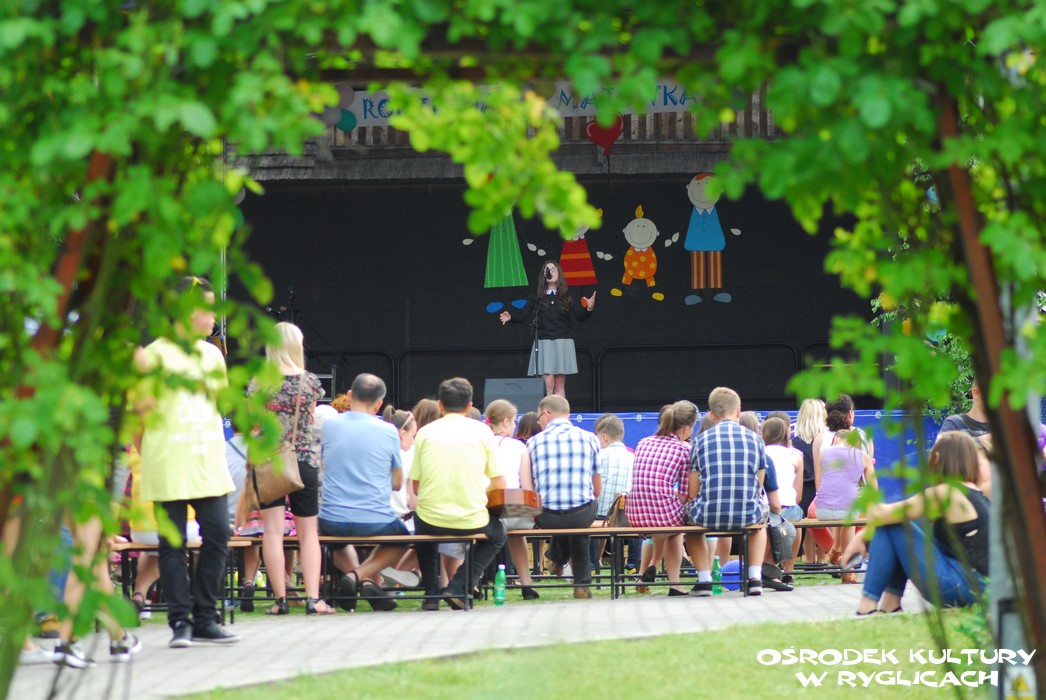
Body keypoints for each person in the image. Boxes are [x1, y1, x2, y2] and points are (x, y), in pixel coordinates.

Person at [134, 276, 238, 647]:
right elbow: (140, 414)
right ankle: (181, 622)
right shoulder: (153, 355)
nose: (214, 317)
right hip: (168, 460)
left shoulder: (213, 355)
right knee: (172, 544)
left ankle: (205, 618)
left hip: (207, 461)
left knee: (218, 535)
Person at [842, 431, 988, 615]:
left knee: (894, 523)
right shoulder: (976, 494)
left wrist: (861, 531)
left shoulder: (946, 493)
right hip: (978, 588)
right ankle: (890, 604)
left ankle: (867, 604)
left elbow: (881, 514)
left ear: (937, 459)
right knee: (900, 523)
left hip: (959, 587)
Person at [247, 322, 335, 616]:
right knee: (308, 534)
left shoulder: (259, 382)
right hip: (303, 460)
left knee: (272, 533)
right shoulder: (309, 382)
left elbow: (254, 423)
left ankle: (280, 601)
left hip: (271, 461)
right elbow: (309, 419)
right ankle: (313, 599)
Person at [411, 377, 507, 610]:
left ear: (440, 406)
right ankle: (459, 586)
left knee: (422, 526)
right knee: (498, 534)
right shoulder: (483, 432)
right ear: (469, 406)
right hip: (472, 518)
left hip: (431, 519)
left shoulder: (425, 432)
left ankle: (431, 595)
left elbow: (416, 487)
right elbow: (499, 482)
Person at [319, 373, 406, 612]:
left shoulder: (329, 426)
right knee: (401, 539)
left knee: (335, 540)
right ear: (379, 404)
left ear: (349, 395)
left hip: (332, 518)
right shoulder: (389, 430)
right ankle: (361, 578)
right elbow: (397, 483)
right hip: (376, 519)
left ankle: (356, 577)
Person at [684, 387, 769, 596]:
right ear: (739, 411)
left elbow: (693, 492)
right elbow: (759, 486)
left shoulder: (699, 441)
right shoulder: (756, 440)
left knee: (689, 524)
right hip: (747, 513)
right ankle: (755, 578)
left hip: (707, 515)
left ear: (711, 416)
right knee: (760, 525)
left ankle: (704, 579)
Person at [528, 395, 602, 598]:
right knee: (578, 520)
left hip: (545, 516)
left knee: (566, 517)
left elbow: (531, 487)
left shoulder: (533, 442)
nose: (539, 423)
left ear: (546, 414)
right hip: (580, 514)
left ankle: (557, 558)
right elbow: (597, 489)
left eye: (538, 419)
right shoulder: (590, 438)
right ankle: (581, 584)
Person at [627, 401, 698, 596]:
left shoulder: (643, 442)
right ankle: (674, 584)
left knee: (663, 518)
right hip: (661, 514)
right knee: (675, 529)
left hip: (635, 513)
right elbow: (685, 495)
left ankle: (649, 568)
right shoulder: (684, 449)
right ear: (686, 429)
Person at [499, 260, 596, 398]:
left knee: (559, 385)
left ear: (559, 273)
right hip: (544, 341)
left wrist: (589, 308)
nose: (550, 272)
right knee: (548, 383)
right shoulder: (537, 296)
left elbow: (580, 316)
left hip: (562, 341)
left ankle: (560, 411)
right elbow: (523, 315)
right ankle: (546, 411)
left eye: (554, 269)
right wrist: (511, 317)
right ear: (543, 275)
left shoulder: (567, 294)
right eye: (547, 269)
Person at [485, 399, 539, 599]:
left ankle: (475, 582)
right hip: (512, 509)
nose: (515, 425)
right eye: (514, 420)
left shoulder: (480, 444)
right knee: (518, 536)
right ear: (506, 421)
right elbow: (527, 487)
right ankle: (526, 584)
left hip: (484, 508)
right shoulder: (519, 447)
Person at [816, 428, 878, 583]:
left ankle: (836, 553)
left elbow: (819, 483)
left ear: (837, 439)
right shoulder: (863, 457)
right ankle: (848, 570)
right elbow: (874, 490)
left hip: (822, 509)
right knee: (849, 517)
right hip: (847, 510)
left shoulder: (823, 454)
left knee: (845, 511)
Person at [591, 414, 638, 574]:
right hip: (626, 517)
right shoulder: (633, 457)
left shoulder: (599, 456)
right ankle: (633, 564)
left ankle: (592, 565)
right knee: (635, 523)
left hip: (600, 516)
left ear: (604, 437)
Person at [762, 417, 804, 577]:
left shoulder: (759, 453)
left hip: (763, 507)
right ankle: (789, 570)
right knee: (797, 518)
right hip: (787, 506)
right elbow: (797, 496)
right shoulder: (795, 456)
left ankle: (765, 565)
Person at [792, 398, 832, 565]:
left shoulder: (794, 442)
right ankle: (822, 560)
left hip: (800, 491)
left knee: (808, 525)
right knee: (820, 524)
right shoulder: (825, 440)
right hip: (820, 488)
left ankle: (809, 561)